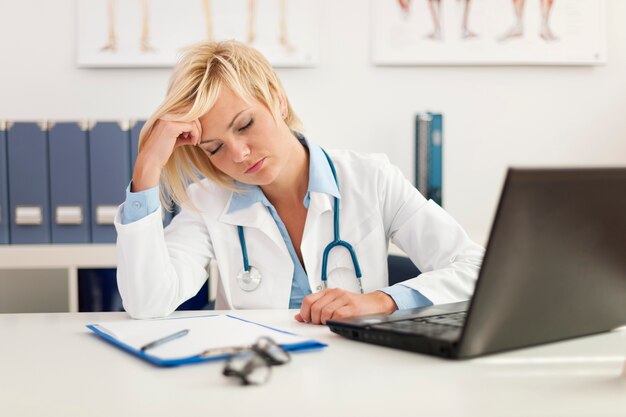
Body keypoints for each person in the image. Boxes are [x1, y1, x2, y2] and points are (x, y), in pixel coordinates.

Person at [114, 40, 484, 324]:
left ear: (278, 99)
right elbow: (147, 303)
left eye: (245, 125)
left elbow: (474, 269)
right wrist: (147, 168)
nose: (239, 155)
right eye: (215, 148)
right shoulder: (207, 201)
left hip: (359, 379)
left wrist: (382, 300)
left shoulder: (371, 178)